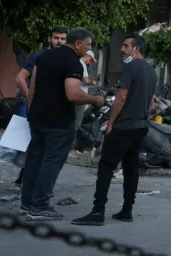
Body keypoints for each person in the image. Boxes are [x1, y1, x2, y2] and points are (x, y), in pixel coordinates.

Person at [74, 35, 157, 226]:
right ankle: (127, 210)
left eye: (126, 46)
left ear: (136, 49)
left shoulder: (131, 67)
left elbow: (121, 97)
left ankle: (97, 211)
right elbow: (151, 103)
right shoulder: (151, 71)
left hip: (124, 126)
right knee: (131, 167)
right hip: (140, 126)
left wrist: (111, 122)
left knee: (105, 167)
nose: (122, 49)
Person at [22, 28, 104, 221]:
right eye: (88, 44)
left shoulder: (44, 57)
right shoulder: (72, 62)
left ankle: (26, 204)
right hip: (58, 122)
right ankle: (40, 206)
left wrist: (31, 111)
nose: (89, 48)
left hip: (37, 118)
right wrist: (95, 100)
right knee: (51, 162)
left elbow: (32, 87)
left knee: (34, 160)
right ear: (78, 44)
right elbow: (73, 95)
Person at [15, 27, 68, 118]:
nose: (59, 41)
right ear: (49, 39)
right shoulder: (39, 56)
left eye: (62, 39)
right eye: (56, 38)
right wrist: (30, 99)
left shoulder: (66, 58)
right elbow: (20, 78)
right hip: (32, 105)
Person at [74, 49, 98, 132]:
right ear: (87, 56)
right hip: (80, 97)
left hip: (76, 95)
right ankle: (73, 143)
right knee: (76, 124)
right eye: (91, 60)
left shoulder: (77, 63)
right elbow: (86, 81)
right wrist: (93, 82)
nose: (90, 62)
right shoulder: (82, 64)